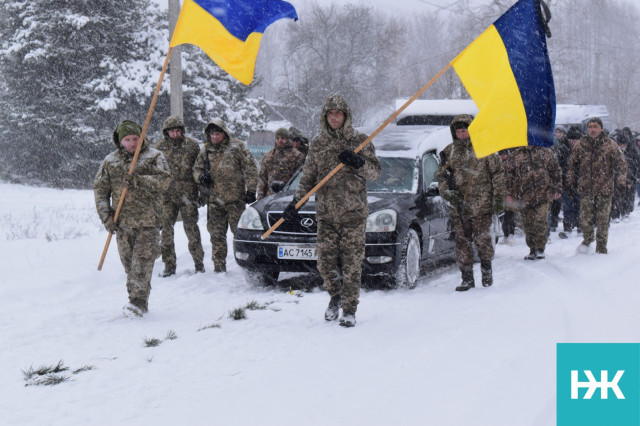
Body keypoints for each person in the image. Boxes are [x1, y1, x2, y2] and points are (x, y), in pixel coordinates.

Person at [283, 94, 381, 327]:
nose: (334, 118)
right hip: (326, 215)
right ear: (325, 116)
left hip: (353, 215)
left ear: (346, 116)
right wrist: (296, 202)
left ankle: (349, 308)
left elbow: (375, 173)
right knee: (325, 264)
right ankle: (335, 296)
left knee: (351, 265)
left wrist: (358, 163)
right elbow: (308, 177)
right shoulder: (318, 143)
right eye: (330, 114)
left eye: (338, 114)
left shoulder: (360, 140)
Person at [94, 120, 170, 317]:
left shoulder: (154, 156)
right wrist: (106, 217)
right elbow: (100, 190)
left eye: (135, 138)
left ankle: (137, 303)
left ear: (142, 137)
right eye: (127, 140)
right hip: (123, 223)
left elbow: (164, 181)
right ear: (120, 141)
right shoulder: (110, 161)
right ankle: (137, 296)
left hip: (148, 221)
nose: (132, 143)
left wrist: (139, 180)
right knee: (129, 265)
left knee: (141, 263)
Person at [436, 114, 506, 291]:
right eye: (458, 132)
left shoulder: (485, 148)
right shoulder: (449, 152)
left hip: (482, 204)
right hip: (459, 206)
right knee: (462, 242)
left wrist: (499, 197)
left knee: (482, 240)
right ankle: (466, 278)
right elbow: (441, 176)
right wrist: (446, 192)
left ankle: (486, 272)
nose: (461, 134)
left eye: (464, 131)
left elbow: (498, 173)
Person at [193, 119, 258, 273]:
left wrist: (251, 190)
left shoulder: (237, 147)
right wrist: (201, 177)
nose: (215, 137)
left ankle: (247, 266)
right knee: (216, 236)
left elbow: (250, 168)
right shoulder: (206, 150)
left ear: (224, 133)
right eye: (212, 134)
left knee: (240, 235)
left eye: (218, 133)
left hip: (235, 201)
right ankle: (219, 268)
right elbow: (196, 168)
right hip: (214, 201)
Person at [566, 117, 627, 254]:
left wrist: (621, 183)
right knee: (584, 219)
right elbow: (571, 165)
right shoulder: (580, 144)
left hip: (605, 188)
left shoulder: (610, 144)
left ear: (601, 128)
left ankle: (601, 247)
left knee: (603, 219)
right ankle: (588, 238)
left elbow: (621, 165)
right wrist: (569, 182)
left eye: (595, 127)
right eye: (590, 127)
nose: (592, 129)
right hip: (586, 188)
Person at [154, 115, 205, 277]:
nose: (175, 134)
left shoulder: (192, 146)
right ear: (166, 132)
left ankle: (199, 264)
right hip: (167, 196)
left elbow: (199, 168)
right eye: (172, 131)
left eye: (178, 131)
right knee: (166, 231)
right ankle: (169, 265)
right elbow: (154, 172)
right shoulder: (159, 148)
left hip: (188, 194)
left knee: (192, 229)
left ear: (182, 130)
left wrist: (202, 191)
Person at [505, 145, 562, 260]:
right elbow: (509, 175)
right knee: (529, 223)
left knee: (541, 220)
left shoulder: (546, 152)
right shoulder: (516, 155)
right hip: (524, 195)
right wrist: (508, 193)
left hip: (543, 194)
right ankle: (532, 248)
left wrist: (558, 188)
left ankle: (540, 248)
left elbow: (556, 171)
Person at [256, 127, 304, 200]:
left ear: (287, 139)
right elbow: (262, 179)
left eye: (282, 138)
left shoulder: (297, 156)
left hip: (288, 197)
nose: (280, 140)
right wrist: (260, 197)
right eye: (277, 138)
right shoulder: (268, 156)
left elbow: (300, 179)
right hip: (269, 197)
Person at [557, 126, 582, 239]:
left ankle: (580, 227)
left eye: (575, 140)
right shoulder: (563, 149)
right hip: (566, 183)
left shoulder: (583, 149)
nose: (573, 142)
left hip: (580, 183)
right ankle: (567, 227)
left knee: (579, 206)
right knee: (567, 207)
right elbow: (559, 166)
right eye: (571, 140)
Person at [548, 127, 566, 231]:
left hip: (556, 179)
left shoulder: (559, 149)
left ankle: (553, 223)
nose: (558, 134)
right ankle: (551, 223)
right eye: (556, 132)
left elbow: (558, 167)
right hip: (547, 181)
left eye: (560, 132)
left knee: (556, 203)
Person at [497, 149, 517, 244]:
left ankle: (511, 234)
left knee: (510, 214)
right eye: (500, 154)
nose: (502, 156)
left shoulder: (511, 164)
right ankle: (505, 234)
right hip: (501, 193)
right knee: (502, 215)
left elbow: (512, 180)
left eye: (503, 154)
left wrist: (509, 193)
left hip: (510, 193)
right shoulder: (498, 164)